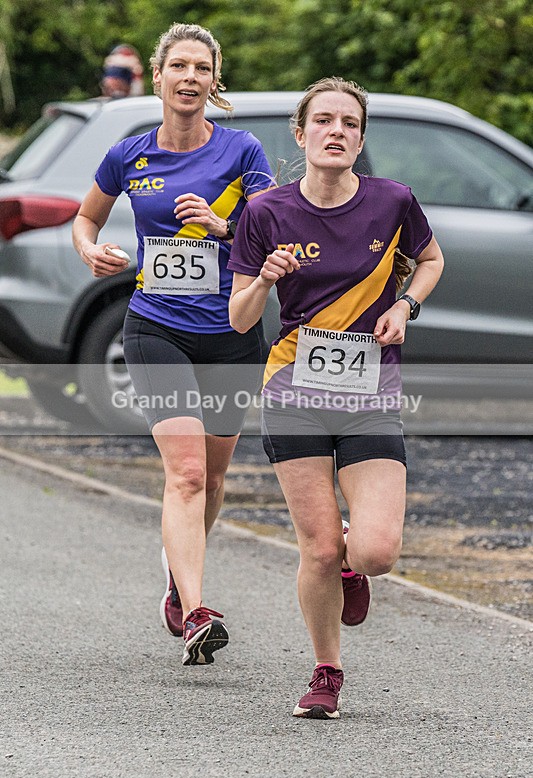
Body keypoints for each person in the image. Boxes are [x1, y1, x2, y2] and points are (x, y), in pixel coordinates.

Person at [228, 77, 444, 717]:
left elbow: (431, 261)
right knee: (320, 549)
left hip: (369, 391)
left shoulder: (392, 202)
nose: (336, 132)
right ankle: (327, 671)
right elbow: (241, 319)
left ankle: (354, 565)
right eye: (323, 121)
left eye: (349, 123)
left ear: (360, 137)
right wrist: (264, 279)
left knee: (374, 551)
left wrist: (406, 304)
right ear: (301, 134)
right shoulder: (266, 213)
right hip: (293, 389)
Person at [73, 22, 274, 666]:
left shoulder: (242, 150)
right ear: (157, 76)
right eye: (178, 66)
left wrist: (223, 224)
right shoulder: (129, 154)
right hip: (155, 326)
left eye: (202, 68)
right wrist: (90, 250)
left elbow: (275, 226)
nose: (189, 78)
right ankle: (194, 609)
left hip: (232, 332)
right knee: (185, 473)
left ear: (216, 82)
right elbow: (86, 216)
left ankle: (174, 577)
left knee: (212, 478)